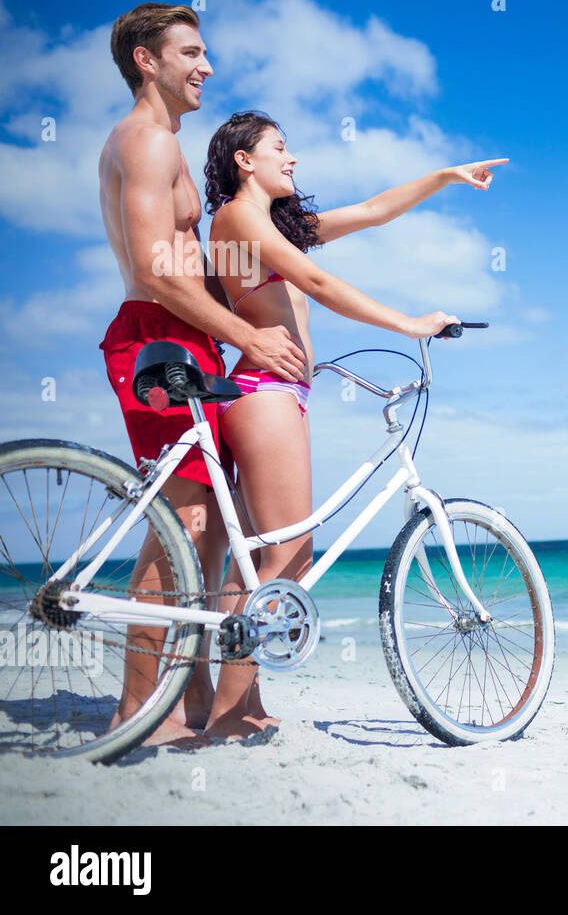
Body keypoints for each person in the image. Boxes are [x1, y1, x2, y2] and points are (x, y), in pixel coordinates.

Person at [201, 109, 507, 738]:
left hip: (278, 394)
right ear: (244, 160)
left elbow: (372, 211)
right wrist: (408, 322)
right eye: (279, 148)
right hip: (263, 393)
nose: (292, 159)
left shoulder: (273, 224)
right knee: (291, 548)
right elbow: (315, 279)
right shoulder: (237, 217)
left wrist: (443, 177)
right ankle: (229, 715)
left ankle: (240, 703)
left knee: (257, 560)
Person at [97, 4, 307, 747]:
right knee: (182, 524)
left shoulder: (165, 145)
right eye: (190, 52)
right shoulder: (147, 142)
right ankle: (132, 715)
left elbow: (195, 263)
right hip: (160, 338)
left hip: (192, 339)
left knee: (209, 526)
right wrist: (247, 332)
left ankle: (194, 706)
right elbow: (159, 269)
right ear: (146, 62)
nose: (206, 66)